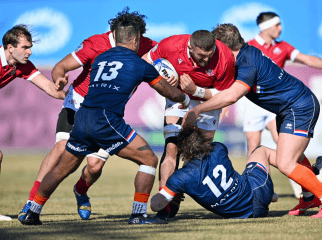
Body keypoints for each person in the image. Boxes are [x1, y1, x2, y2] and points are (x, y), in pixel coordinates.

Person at [19, 18, 190, 226]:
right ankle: (138, 215)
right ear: (135, 40)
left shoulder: (101, 58)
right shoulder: (138, 62)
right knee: (149, 160)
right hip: (105, 119)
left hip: (83, 118)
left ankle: (33, 211)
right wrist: (184, 98)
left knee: (65, 168)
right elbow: (166, 90)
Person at [183, 23, 322, 218]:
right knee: (291, 157)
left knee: (286, 163)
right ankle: (310, 196)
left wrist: (197, 109)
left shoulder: (246, 61)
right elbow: (226, 91)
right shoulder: (244, 56)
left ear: (224, 47)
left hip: (298, 106)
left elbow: (232, 95)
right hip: (288, 108)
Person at [243, 12, 322, 198]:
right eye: (277, 25)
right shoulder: (249, 47)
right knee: (253, 146)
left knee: (285, 146)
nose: (280, 28)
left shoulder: (282, 47)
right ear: (266, 27)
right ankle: (259, 188)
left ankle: (302, 187)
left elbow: (307, 59)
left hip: (275, 103)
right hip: (255, 101)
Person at [142, 30, 235, 219]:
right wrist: (162, 80)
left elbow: (228, 95)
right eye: (201, 56)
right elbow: (145, 60)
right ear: (190, 47)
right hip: (179, 99)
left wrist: (196, 91)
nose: (206, 61)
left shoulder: (225, 57)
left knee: (197, 156)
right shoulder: (171, 45)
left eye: (209, 56)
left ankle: (179, 192)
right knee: (171, 149)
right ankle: (166, 202)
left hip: (208, 103)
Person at [0, 25, 66, 221]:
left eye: (30, 47)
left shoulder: (22, 66)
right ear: (10, 47)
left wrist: (70, 94)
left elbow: (51, 89)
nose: (29, 51)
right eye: (25, 47)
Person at [151, 126, 276, 219]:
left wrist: (169, 193)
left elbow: (155, 206)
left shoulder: (179, 179)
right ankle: (285, 172)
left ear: (182, 151)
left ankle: (272, 193)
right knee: (261, 150)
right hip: (258, 192)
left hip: (247, 213)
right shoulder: (218, 148)